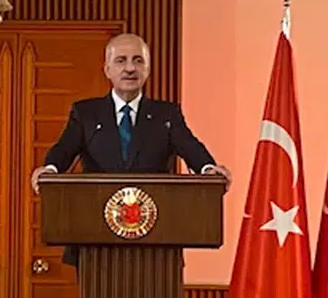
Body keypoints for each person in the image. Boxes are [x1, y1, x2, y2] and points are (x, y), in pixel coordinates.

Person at [30, 33, 230, 263]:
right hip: (95, 236)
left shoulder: (166, 114)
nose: (130, 68)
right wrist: (50, 169)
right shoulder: (85, 113)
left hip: (156, 239)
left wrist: (208, 168)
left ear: (148, 68)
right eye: (121, 60)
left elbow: (190, 146)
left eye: (138, 60)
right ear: (107, 69)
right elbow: (64, 149)